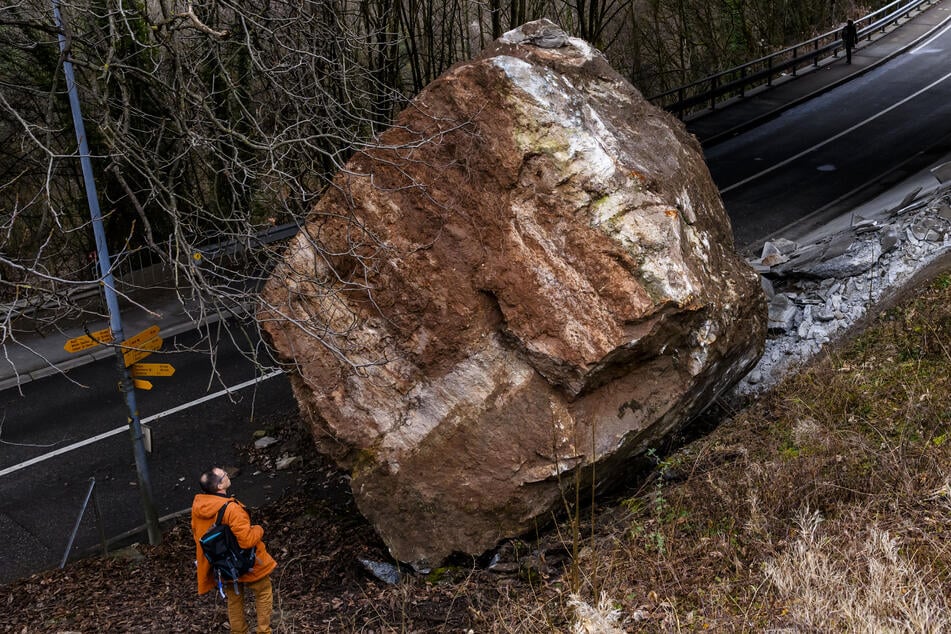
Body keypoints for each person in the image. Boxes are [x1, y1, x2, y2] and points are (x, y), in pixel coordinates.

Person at [192, 467, 277, 634]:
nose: (227, 474)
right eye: (224, 475)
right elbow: (246, 541)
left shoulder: (199, 506)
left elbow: (198, 535)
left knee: (234, 599)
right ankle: (264, 631)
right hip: (248, 562)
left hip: (223, 564)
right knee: (264, 592)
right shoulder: (231, 509)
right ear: (220, 486)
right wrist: (259, 529)